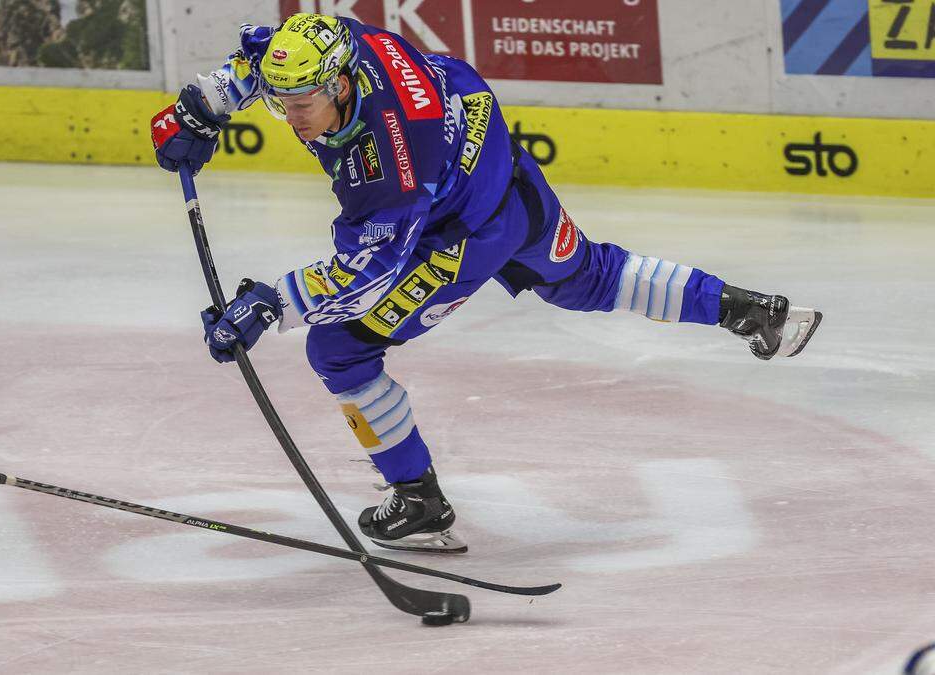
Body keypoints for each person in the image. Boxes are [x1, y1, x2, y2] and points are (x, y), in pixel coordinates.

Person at [150, 14, 822, 554]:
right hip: (505, 175)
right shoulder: (345, 44)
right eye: (280, 104)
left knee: (339, 350)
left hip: (457, 236)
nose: (292, 117)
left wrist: (270, 304)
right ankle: (749, 310)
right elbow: (262, 57)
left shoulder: (387, 166)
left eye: (302, 104)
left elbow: (367, 272)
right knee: (588, 275)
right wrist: (200, 108)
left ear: (341, 86)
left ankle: (418, 498)